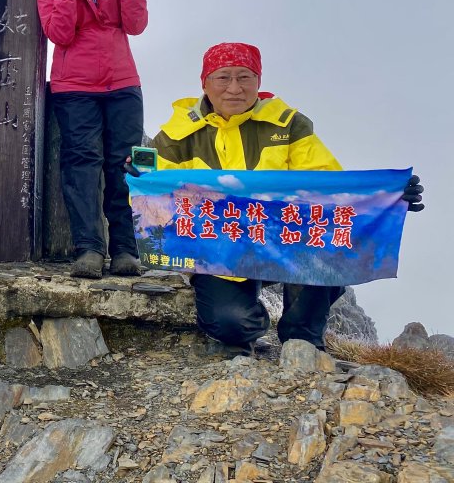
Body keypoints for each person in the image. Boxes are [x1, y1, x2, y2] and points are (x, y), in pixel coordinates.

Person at [150, 42, 425, 354]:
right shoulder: (177, 135)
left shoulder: (289, 124)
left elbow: (327, 184)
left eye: (245, 77)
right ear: (205, 83)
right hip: (219, 251)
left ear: (259, 81)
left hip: (285, 241)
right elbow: (154, 193)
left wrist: (387, 197)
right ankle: (248, 325)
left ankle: (302, 339)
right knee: (231, 324)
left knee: (329, 239)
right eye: (223, 77)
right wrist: (136, 174)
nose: (234, 88)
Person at [36, 0, 148, 279]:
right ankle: (88, 248)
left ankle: (125, 249)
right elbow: (58, 32)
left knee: (128, 164)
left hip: (122, 80)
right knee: (81, 165)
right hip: (74, 84)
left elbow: (136, 24)